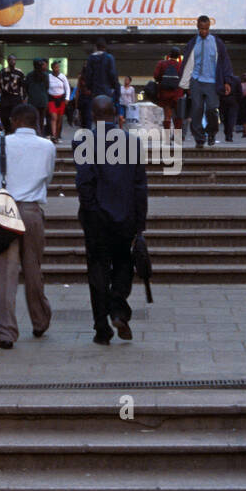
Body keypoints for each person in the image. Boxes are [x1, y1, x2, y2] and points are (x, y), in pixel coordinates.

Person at [0, 102, 56, 349]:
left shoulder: (0, 144)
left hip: (3, 212)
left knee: (4, 274)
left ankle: (6, 333)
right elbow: (47, 178)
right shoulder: (47, 146)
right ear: (35, 123)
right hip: (31, 211)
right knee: (33, 269)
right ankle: (40, 320)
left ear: (15, 122)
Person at [74, 94, 148, 346]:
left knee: (97, 270)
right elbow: (140, 186)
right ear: (116, 114)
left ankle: (101, 329)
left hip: (96, 219)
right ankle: (117, 306)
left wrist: (91, 211)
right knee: (123, 264)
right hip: (126, 217)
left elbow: (84, 183)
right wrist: (140, 222)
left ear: (93, 116)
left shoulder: (85, 141)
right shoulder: (132, 143)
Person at [178, 15, 235, 148]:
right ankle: (199, 138)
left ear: (209, 27)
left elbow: (225, 62)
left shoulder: (217, 42)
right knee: (196, 110)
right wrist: (185, 82)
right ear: (197, 27)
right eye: (201, 29)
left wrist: (227, 81)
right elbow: (186, 63)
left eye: (206, 29)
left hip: (212, 82)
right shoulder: (192, 43)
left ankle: (211, 133)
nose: (204, 31)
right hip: (196, 81)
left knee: (211, 110)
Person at [0, 55, 27, 134]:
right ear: (8, 61)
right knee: (3, 115)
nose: (12, 62)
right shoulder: (2, 72)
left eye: (14, 60)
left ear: (15, 61)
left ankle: (14, 131)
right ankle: (7, 130)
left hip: (16, 97)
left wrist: (24, 98)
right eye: (10, 60)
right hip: (5, 96)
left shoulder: (19, 72)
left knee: (16, 115)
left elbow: (23, 86)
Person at [153, 48, 183, 132]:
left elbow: (156, 76)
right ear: (178, 56)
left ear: (169, 55)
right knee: (178, 116)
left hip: (165, 93)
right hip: (178, 93)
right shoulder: (181, 66)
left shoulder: (161, 63)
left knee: (167, 116)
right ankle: (177, 138)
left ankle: (167, 138)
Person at [47, 61, 71, 142]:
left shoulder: (63, 76)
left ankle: (57, 136)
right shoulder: (49, 76)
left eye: (58, 67)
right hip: (52, 99)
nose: (57, 69)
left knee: (60, 119)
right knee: (54, 117)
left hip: (61, 99)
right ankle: (53, 136)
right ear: (52, 68)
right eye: (55, 67)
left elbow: (67, 88)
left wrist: (67, 98)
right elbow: (46, 87)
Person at [25, 58, 50, 136]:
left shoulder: (29, 75)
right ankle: (40, 134)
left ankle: (33, 134)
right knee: (41, 119)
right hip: (42, 100)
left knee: (33, 118)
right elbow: (47, 87)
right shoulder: (45, 75)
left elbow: (26, 87)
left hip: (32, 100)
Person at [238, 72, 246, 138]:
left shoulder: (240, 85)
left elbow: (239, 94)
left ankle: (244, 131)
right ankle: (245, 131)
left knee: (243, 119)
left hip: (242, 104)